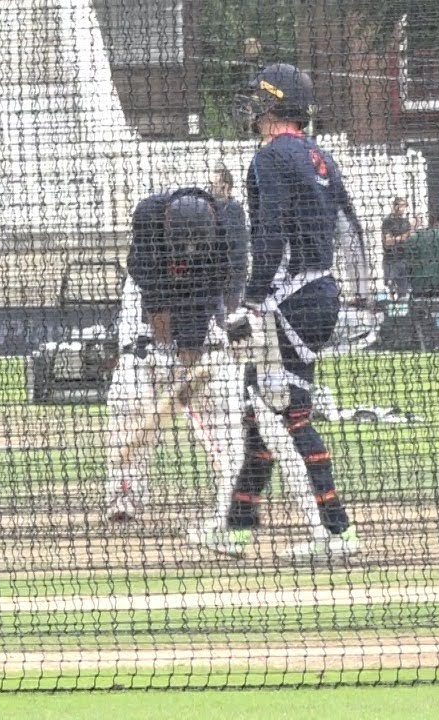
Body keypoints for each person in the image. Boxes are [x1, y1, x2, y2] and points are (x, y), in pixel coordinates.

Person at [224, 62, 360, 562]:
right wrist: (364, 292)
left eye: (259, 98)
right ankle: (237, 528)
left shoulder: (269, 158)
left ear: (275, 104)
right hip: (321, 293)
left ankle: (337, 531)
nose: (252, 107)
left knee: (290, 413)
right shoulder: (321, 156)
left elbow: (270, 234)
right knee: (259, 409)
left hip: (287, 301)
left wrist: (253, 300)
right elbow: (350, 228)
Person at [103, 187, 246, 558]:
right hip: (148, 299)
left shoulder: (228, 225)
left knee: (224, 397)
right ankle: (124, 491)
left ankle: (234, 498)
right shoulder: (148, 218)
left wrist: (191, 359)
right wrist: (165, 359)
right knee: (129, 395)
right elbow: (157, 306)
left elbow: (222, 294)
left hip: (206, 299)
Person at [380, 197, 416, 296]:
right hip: (390, 261)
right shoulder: (388, 221)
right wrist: (403, 236)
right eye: (401, 206)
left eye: (404, 206)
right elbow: (388, 242)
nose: (403, 209)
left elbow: (410, 239)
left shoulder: (405, 222)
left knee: (404, 291)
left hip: (403, 259)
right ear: (395, 206)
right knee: (390, 289)